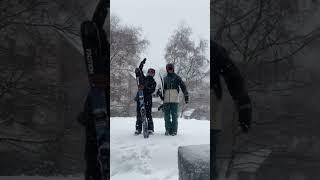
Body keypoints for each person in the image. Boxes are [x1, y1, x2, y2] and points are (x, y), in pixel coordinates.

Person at [211, 40, 252, 179]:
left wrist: (244, 104)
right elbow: (231, 74)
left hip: (212, 101)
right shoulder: (213, 48)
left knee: (209, 159)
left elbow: (232, 75)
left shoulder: (212, 48)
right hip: (212, 100)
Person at [161, 63, 189, 136]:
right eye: (168, 68)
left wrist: (186, 95)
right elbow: (162, 88)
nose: (170, 70)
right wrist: (160, 93)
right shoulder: (165, 78)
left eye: (171, 68)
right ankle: (168, 129)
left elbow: (183, 86)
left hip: (174, 99)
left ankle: (174, 131)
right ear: (167, 69)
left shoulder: (177, 77)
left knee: (174, 116)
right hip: (166, 100)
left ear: (173, 69)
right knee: (166, 116)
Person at [134, 58, 157, 135]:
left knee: (148, 114)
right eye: (149, 72)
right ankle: (138, 128)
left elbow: (151, 90)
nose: (150, 73)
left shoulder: (154, 82)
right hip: (140, 98)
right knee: (139, 113)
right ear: (147, 72)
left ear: (153, 74)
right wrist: (141, 64)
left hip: (147, 99)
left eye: (152, 73)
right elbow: (139, 71)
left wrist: (145, 88)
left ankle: (150, 128)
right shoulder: (143, 78)